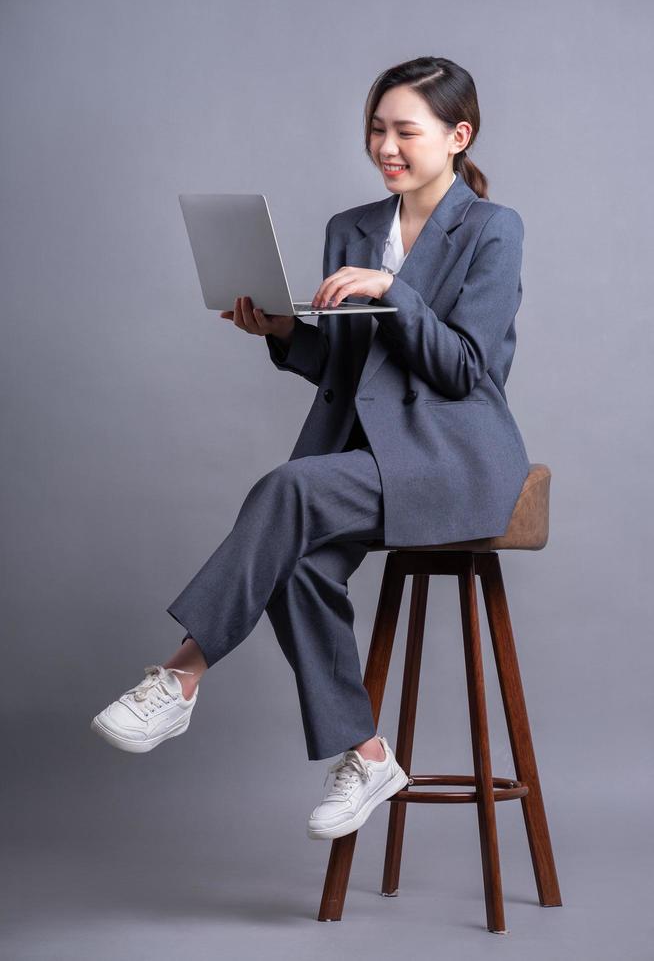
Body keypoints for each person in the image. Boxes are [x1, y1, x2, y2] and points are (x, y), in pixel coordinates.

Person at [91, 55, 530, 842]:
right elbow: (353, 372)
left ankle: (181, 676)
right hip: (366, 459)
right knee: (297, 564)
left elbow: (463, 369)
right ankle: (368, 755)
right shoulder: (350, 228)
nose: (385, 146)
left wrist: (392, 291)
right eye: (376, 129)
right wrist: (288, 332)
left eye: (405, 131)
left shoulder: (492, 229)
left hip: (454, 458)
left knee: (288, 489)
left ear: (457, 136)